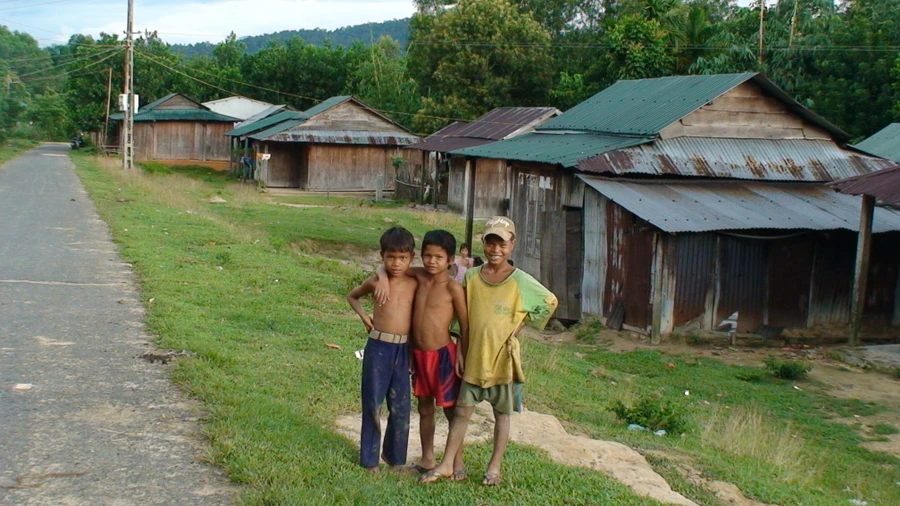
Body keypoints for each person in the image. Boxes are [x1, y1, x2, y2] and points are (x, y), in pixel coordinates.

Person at [418, 216, 558, 486]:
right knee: (462, 412)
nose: (496, 249)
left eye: (502, 244)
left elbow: (549, 301)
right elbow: (462, 316)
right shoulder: (471, 277)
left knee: (501, 414)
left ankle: (494, 466)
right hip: (473, 356)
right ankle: (447, 464)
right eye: (490, 243)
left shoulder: (520, 280)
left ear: (512, 245)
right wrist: (459, 349)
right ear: (483, 244)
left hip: (502, 358)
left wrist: (521, 325)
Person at [375, 230, 469, 480]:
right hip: (418, 355)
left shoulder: (453, 287)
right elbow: (388, 265)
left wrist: (462, 354)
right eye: (427, 255)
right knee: (425, 408)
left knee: (450, 411)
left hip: (443, 356)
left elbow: (466, 325)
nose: (432, 262)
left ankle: (456, 462)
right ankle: (428, 458)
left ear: (450, 259)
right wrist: (382, 277)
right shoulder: (417, 275)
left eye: (438, 257)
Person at [346, 226, 418, 472]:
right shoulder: (376, 281)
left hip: (403, 349)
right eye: (390, 257)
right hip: (378, 347)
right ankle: (369, 460)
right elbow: (353, 296)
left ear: (411, 257)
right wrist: (365, 317)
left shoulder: (414, 280)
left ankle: (396, 459)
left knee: (401, 407)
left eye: (402, 258)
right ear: (382, 256)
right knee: (372, 403)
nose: (396, 263)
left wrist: (385, 274)